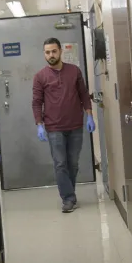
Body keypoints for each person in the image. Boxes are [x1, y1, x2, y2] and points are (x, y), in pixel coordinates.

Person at [32, 37, 96, 213]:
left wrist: (89, 115)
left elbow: (83, 95)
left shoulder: (74, 71)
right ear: (44, 54)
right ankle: (68, 198)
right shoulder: (40, 77)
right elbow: (37, 102)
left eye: (54, 51)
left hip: (75, 124)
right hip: (54, 127)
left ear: (60, 51)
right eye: (47, 52)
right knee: (60, 163)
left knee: (73, 163)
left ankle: (70, 194)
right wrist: (39, 124)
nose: (51, 55)